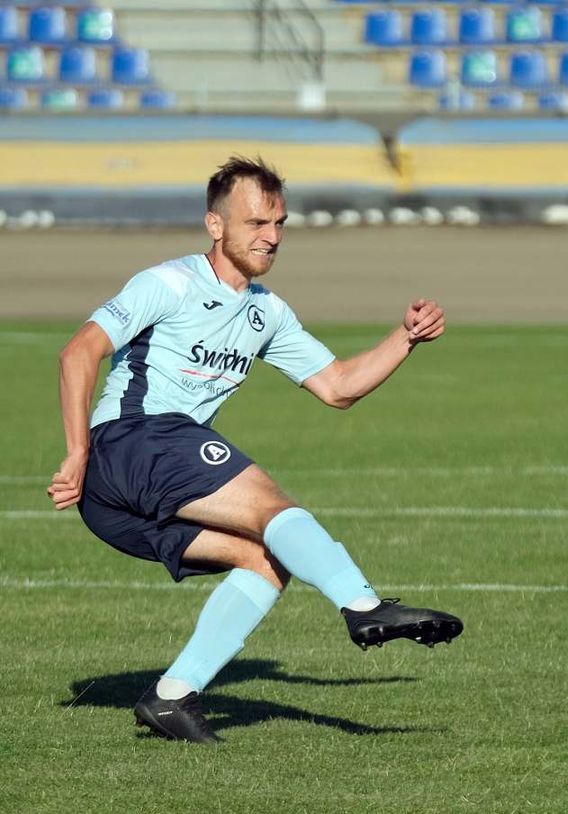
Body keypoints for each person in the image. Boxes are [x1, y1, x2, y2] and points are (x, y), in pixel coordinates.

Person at [47, 156, 463, 743]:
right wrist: (75, 452)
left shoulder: (267, 312)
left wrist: (406, 337)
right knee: (270, 506)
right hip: (133, 441)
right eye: (256, 223)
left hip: (122, 496)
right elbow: (78, 353)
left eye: (279, 224)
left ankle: (172, 697)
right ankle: (363, 606)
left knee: (266, 561)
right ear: (215, 226)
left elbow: (338, 387)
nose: (271, 236)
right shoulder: (169, 283)